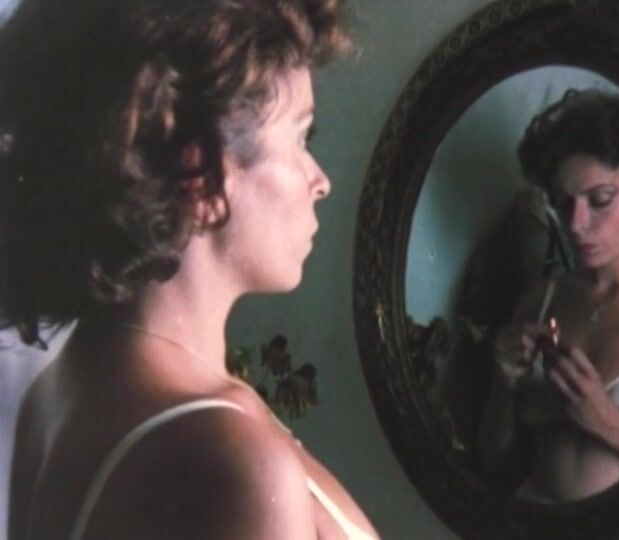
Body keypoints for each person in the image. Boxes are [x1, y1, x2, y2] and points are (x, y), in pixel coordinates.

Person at [2, 0, 379, 538]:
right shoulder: (228, 458)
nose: (320, 182)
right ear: (198, 172)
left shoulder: (68, 384)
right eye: (301, 138)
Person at [477, 89, 619, 504]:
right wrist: (503, 387)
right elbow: (496, 463)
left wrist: (609, 423)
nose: (576, 224)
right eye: (562, 204)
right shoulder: (541, 298)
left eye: (600, 200)